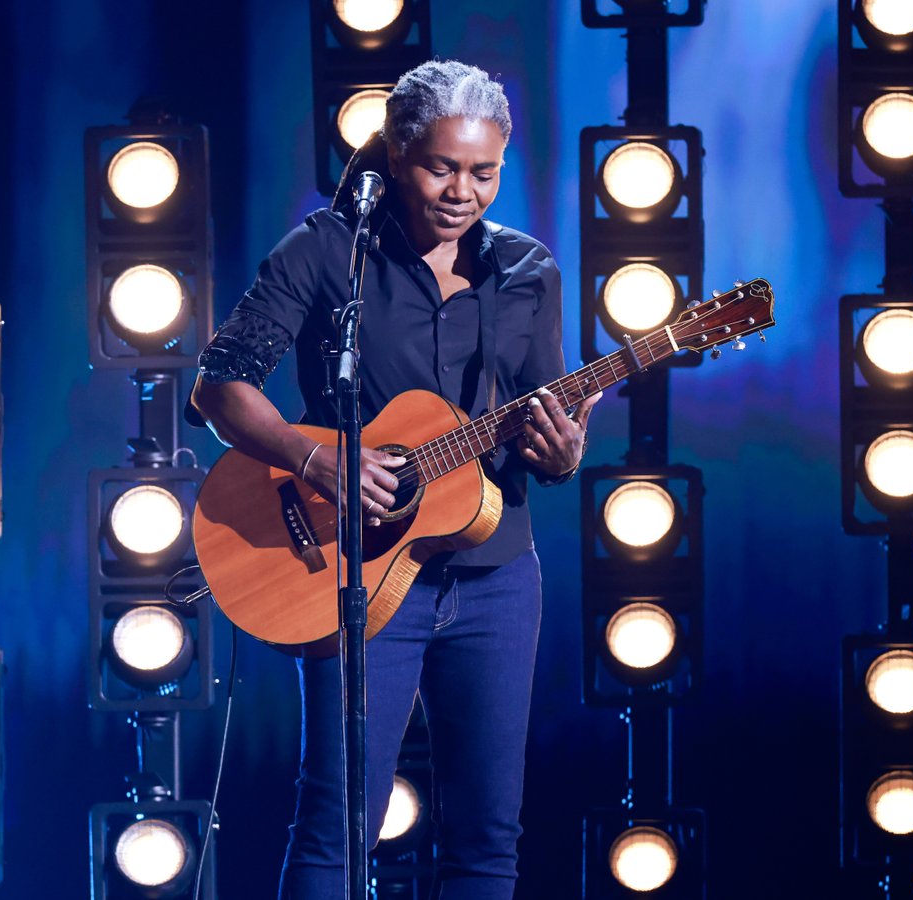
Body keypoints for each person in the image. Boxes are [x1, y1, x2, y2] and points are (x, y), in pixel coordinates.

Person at [187, 60, 598, 900]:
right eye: (440, 167)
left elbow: (546, 429)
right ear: (398, 151)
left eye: (483, 172)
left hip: (496, 579)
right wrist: (316, 459)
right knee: (337, 831)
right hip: (353, 573)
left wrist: (561, 455)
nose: (462, 191)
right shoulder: (326, 253)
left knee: (488, 838)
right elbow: (218, 386)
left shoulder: (529, 273)